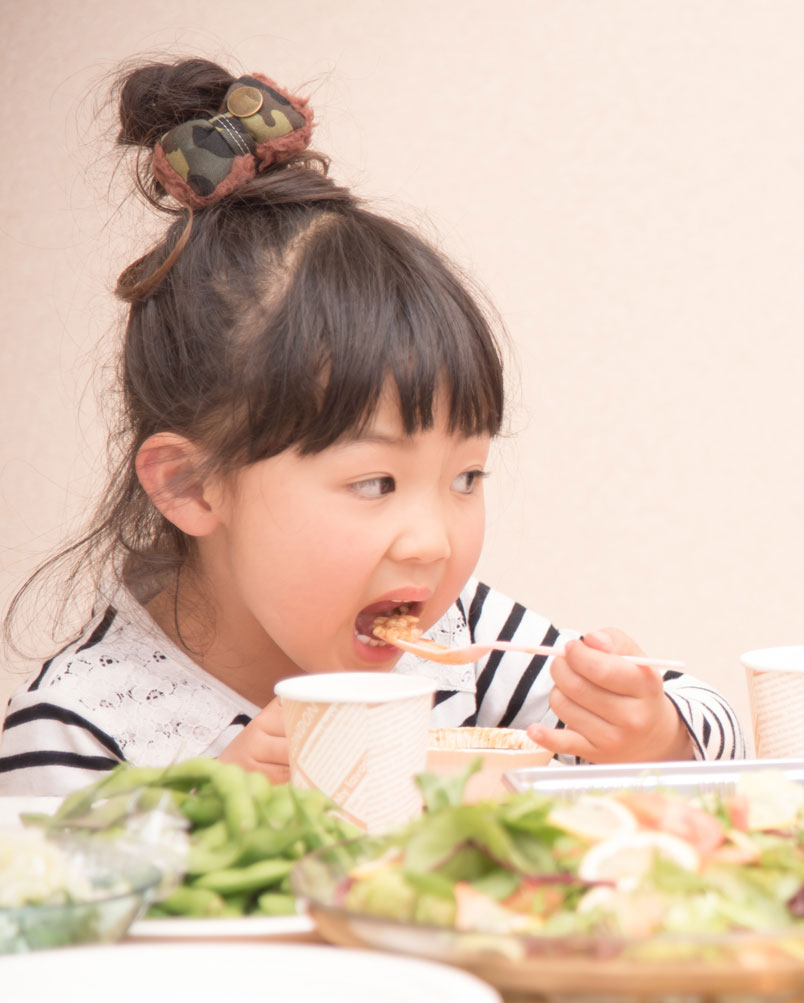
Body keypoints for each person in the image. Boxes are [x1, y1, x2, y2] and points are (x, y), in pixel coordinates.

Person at [0, 59, 741, 797]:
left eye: (466, 477)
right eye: (376, 483)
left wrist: (649, 736)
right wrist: (213, 817)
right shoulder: (78, 729)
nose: (432, 543)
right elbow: (55, 874)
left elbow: (709, 722)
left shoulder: (450, 642)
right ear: (191, 485)